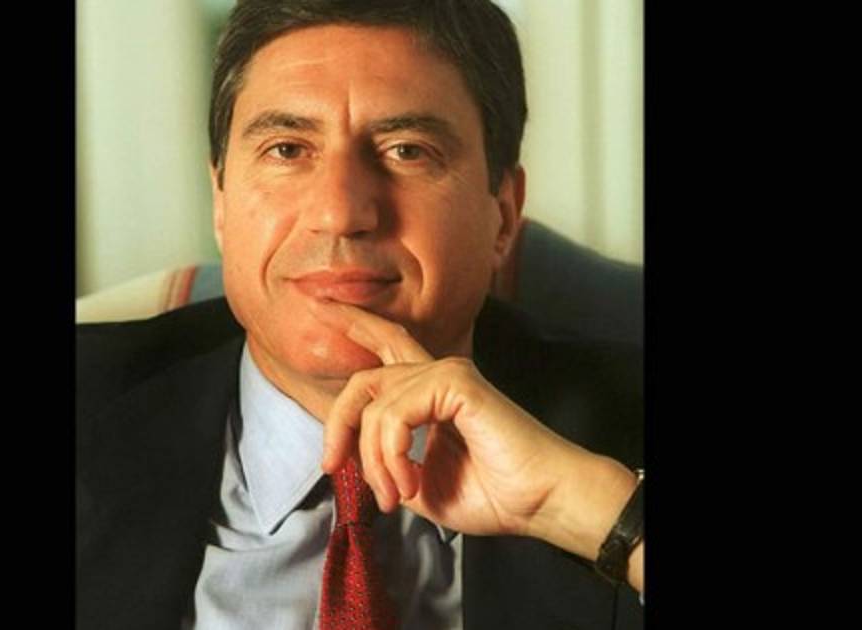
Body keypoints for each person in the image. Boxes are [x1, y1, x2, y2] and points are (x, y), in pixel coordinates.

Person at [76, 1, 644, 628]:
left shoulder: (622, 431)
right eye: (287, 149)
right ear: (221, 201)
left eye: (407, 151)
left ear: (503, 215)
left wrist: (589, 511)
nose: (341, 213)